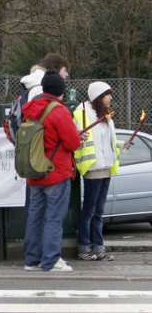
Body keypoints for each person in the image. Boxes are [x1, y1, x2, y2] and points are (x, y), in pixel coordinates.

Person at [22, 70, 82, 272]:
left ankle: (32, 260)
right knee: (54, 218)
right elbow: (72, 142)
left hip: (34, 172)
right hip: (56, 172)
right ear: (61, 91)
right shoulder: (59, 111)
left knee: (35, 216)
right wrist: (78, 138)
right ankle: (51, 260)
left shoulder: (30, 109)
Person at [73, 82, 128, 262]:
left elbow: (106, 141)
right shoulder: (82, 113)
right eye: (107, 95)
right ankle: (84, 248)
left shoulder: (105, 116)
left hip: (106, 168)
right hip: (93, 169)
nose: (110, 98)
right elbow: (76, 138)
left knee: (99, 211)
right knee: (89, 211)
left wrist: (121, 145)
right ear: (98, 96)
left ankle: (98, 248)